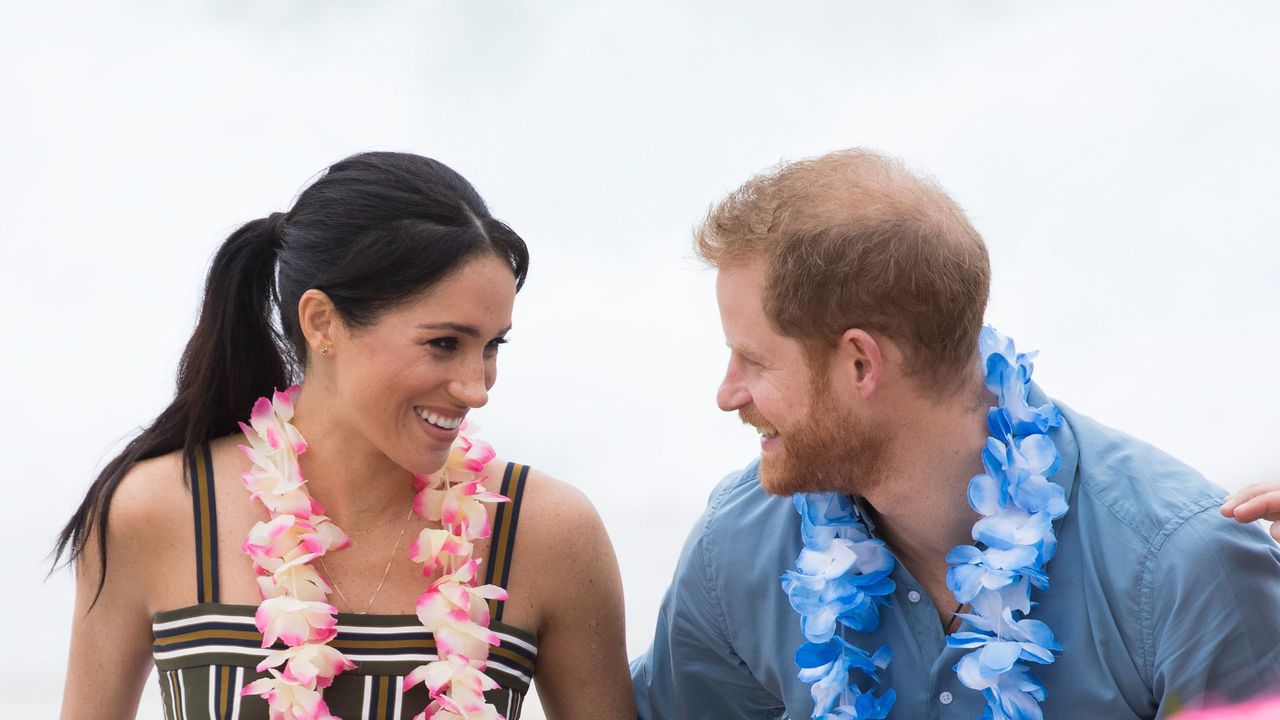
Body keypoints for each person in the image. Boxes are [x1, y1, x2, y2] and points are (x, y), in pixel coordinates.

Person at [631, 149, 1280, 719]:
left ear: (861, 363)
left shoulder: (1183, 569)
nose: (727, 394)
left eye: (754, 359)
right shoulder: (738, 546)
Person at [56, 152, 635, 719]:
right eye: (443, 343)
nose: (475, 387)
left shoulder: (549, 534)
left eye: (491, 346)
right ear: (321, 322)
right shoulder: (156, 511)